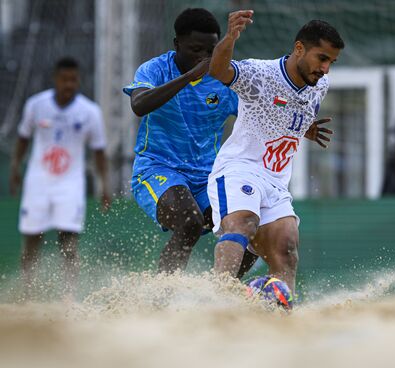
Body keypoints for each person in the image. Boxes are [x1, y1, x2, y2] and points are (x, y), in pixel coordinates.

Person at [123, 8, 328, 275]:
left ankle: (220, 291)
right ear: (177, 45)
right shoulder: (155, 69)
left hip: (206, 176)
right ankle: (163, 294)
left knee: (248, 227)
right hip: (157, 169)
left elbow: (263, 111)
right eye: (196, 49)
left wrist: (301, 126)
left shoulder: (223, 82)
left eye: (211, 50)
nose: (205, 58)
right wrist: (189, 77)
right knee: (190, 223)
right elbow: (139, 105)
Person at [207, 10, 344, 291]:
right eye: (322, 58)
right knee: (243, 222)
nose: (326, 68)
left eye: (331, 62)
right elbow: (218, 71)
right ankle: (216, 301)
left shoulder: (320, 85)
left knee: (288, 246)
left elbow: (288, 111)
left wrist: (304, 128)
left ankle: (281, 315)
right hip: (240, 168)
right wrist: (231, 37)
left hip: (276, 181)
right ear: (299, 48)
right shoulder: (261, 73)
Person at [9, 57, 111, 295]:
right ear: (55, 79)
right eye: (64, 79)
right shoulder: (36, 105)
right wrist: (15, 167)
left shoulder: (90, 112)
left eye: (73, 80)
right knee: (32, 238)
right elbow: (23, 138)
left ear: (79, 81)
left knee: (68, 241)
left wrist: (104, 185)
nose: (69, 84)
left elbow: (99, 152)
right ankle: (28, 292)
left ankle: (68, 295)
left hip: (70, 184)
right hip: (38, 182)